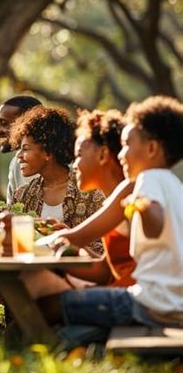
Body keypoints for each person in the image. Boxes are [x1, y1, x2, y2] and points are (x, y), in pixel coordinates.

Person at [42, 96, 183, 345]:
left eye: (128, 144)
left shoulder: (146, 181)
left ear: (152, 149)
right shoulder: (174, 185)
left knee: (50, 305)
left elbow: (155, 223)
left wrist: (142, 207)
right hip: (171, 304)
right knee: (71, 327)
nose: (122, 154)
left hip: (148, 303)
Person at [21, 109, 135, 301]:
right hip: (121, 289)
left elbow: (74, 239)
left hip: (131, 297)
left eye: (80, 154)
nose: (74, 165)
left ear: (103, 155)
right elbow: (105, 271)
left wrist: (49, 244)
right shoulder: (114, 197)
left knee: (38, 288)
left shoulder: (128, 195)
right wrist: (62, 252)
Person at [10, 106, 104, 233]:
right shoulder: (22, 195)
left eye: (26, 149)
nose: (18, 155)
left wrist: (67, 236)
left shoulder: (90, 192)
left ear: (48, 153)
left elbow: (102, 244)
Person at [0, 96, 42, 203]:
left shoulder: (67, 167)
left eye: (4, 123)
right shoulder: (16, 164)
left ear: (28, 123)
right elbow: (12, 211)